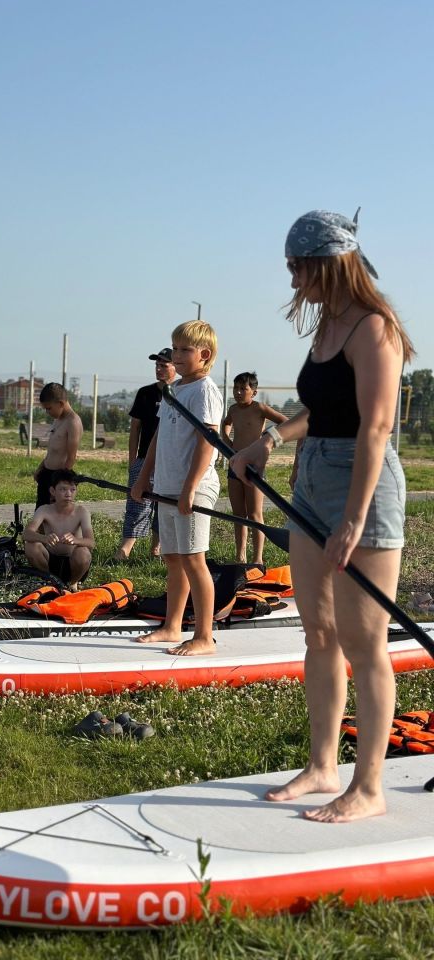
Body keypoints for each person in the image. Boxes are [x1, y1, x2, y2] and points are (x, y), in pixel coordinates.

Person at [230, 209, 414, 823]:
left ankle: (369, 787)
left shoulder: (373, 328)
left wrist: (354, 520)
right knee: (319, 634)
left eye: (295, 269)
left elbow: (376, 427)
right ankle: (322, 764)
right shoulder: (329, 324)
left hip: (363, 486)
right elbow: (323, 411)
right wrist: (269, 443)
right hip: (312, 480)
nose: (291, 283)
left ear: (325, 263)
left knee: (366, 643)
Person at [131, 320, 223, 656]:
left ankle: (204, 636)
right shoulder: (174, 389)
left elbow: (206, 442)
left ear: (204, 354)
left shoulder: (204, 391)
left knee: (194, 559)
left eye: (185, 349)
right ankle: (172, 626)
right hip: (166, 487)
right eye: (175, 348)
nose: (177, 355)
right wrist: (144, 477)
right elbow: (158, 437)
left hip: (192, 488)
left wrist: (190, 487)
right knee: (173, 558)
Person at [115, 348, 177, 560]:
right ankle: (125, 548)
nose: (159, 369)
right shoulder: (145, 393)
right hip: (145, 459)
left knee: (164, 504)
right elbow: (135, 429)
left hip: (170, 461)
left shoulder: (180, 392)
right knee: (137, 500)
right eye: (157, 365)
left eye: (164, 365)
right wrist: (133, 460)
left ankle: (156, 549)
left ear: (175, 366)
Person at [221, 371, 288, 566]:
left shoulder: (260, 408)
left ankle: (257, 559)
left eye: (244, 389)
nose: (239, 392)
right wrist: (227, 441)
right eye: (236, 388)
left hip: (254, 467)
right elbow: (226, 424)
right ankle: (240, 557)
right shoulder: (233, 410)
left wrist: (268, 441)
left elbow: (285, 422)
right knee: (238, 514)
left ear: (254, 392)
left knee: (255, 514)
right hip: (235, 463)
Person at [23, 469, 94, 588]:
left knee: (83, 552)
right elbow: (26, 534)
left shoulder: (81, 511)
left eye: (72, 490)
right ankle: (49, 579)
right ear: (52, 491)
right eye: (63, 489)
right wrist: (44, 538)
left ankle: (73, 583)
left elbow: (91, 542)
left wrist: (76, 540)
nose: (68, 494)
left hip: (72, 563)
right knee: (31, 546)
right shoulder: (44, 510)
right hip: (50, 561)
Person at [33, 383, 83, 509]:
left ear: (60, 403)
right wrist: (41, 468)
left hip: (58, 476)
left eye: (49, 408)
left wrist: (60, 484)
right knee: (41, 511)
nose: (47, 412)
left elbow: (71, 457)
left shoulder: (73, 422)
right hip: (47, 473)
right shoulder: (58, 420)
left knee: (54, 517)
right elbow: (53, 450)